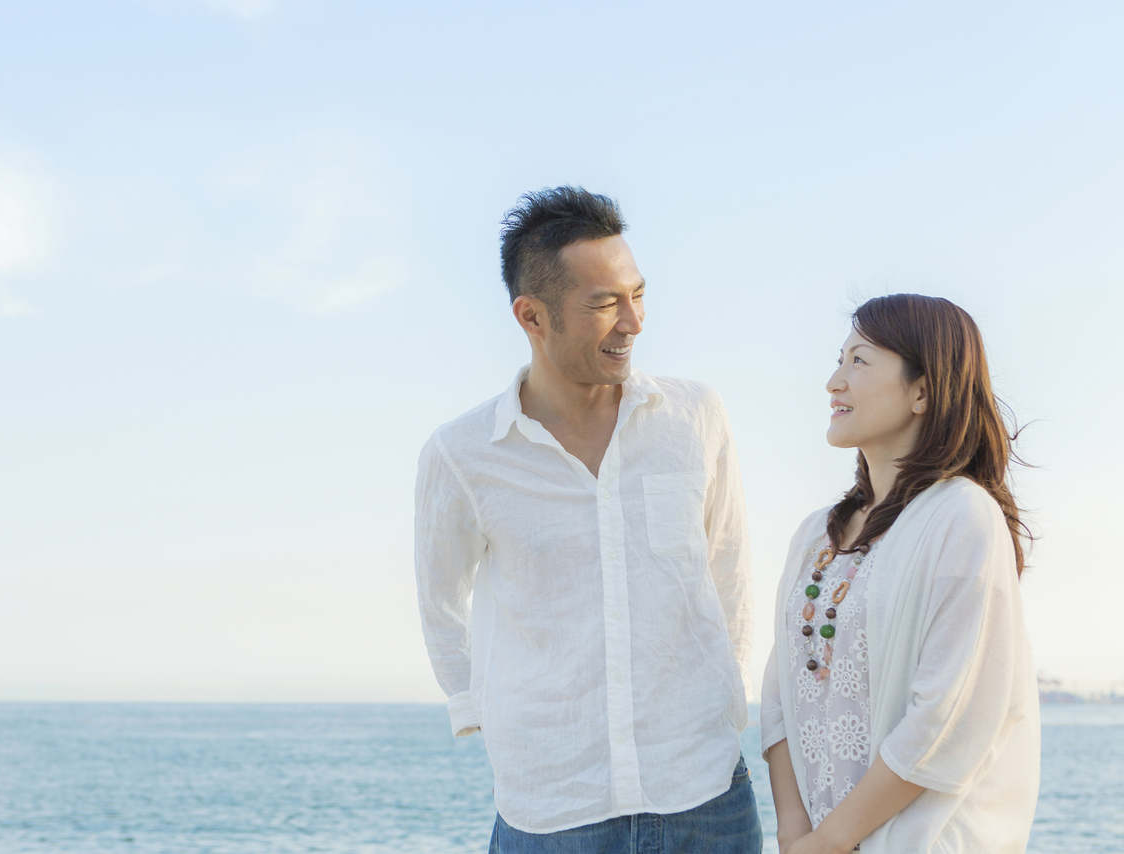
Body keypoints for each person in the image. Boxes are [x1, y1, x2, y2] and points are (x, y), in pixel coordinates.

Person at [414, 187, 762, 853]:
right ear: (532, 316)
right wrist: (482, 713)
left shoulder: (696, 417)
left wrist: (730, 695)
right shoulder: (462, 455)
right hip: (552, 810)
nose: (633, 321)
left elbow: (730, 569)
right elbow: (440, 604)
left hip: (706, 793)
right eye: (605, 303)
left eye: (638, 294)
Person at [761, 294, 1040, 854]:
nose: (834, 382)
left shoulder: (962, 516)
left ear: (922, 392)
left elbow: (947, 717)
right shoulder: (815, 534)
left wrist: (831, 840)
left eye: (859, 361)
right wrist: (793, 830)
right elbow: (777, 694)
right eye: (839, 360)